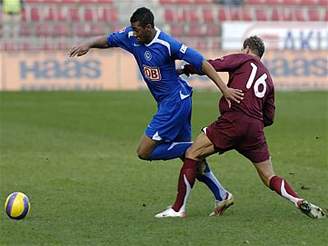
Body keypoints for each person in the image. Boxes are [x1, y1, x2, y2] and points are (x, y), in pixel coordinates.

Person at [69, 7, 244, 216]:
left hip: (175, 103)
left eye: (137, 30)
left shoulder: (167, 44)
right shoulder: (131, 37)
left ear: (149, 27)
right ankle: (221, 195)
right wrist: (88, 44)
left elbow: (202, 63)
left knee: (144, 151)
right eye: (132, 29)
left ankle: (200, 147)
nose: (134, 33)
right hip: (172, 102)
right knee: (190, 158)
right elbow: (108, 40)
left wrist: (224, 89)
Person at [155, 36, 327, 219]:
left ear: (246, 49)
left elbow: (212, 65)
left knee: (192, 153)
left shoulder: (243, 58)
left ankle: (178, 209)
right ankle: (297, 200)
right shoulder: (268, 78)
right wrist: (252, 124)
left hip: (232, 122)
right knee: (269, 176)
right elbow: (269, 117)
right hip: (254, 130)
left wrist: (186, 69)